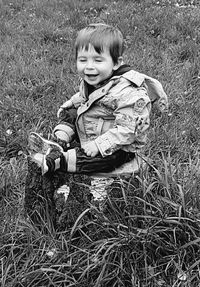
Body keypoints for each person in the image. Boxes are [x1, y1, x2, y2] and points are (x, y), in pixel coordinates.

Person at [29, 23, 168, 176]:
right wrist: (73, 102)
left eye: (97, 60)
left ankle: (59, 161)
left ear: (116, 63)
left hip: (117, 145)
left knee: (104, 159)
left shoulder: (131, 94)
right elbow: (87, 97)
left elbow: (128, 130)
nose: (89, 66)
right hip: (93, 125)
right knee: (72, 111)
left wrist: (98, 144)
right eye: (83, 60)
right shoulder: (97, 79)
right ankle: (59, 140)